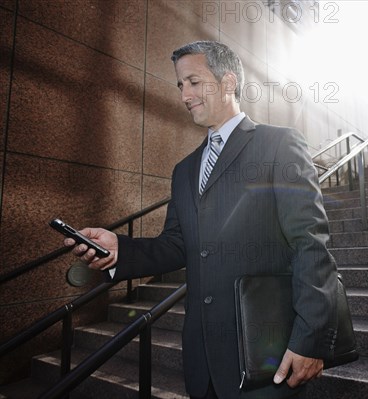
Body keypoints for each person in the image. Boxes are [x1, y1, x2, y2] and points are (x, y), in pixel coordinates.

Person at [65, 40, 339, 399]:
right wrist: (120, 249)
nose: (184, 95)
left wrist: (310, 339)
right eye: (180, 85)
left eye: (193, 81)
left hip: (268, 356)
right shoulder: (184, 170)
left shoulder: (279, 146)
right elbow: (177, 245)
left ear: (227, 83)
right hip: (202, 361)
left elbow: (310, 245)